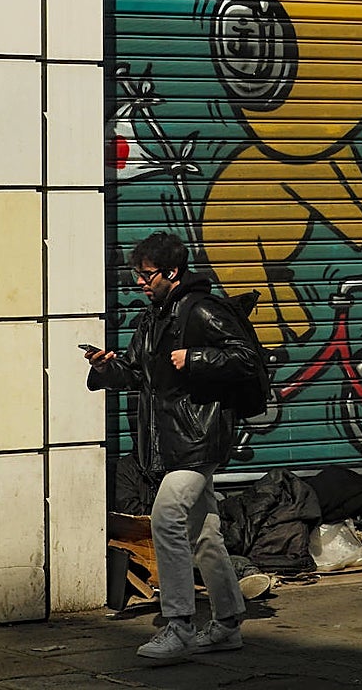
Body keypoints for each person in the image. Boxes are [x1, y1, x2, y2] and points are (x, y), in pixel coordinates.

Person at [85, 231, 255, 660]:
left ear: (172, 272)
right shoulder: (154, 317)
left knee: (166, 518)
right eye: (137, 275)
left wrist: (196, 358)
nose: (140, 282)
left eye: (146, 275)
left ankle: (179, 625)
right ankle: (228, 623)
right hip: (173, 440)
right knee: (205, 532)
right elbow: (138, 373)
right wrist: (107, 367)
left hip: (199, 436)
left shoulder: (201, 311)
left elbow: (246, 358)